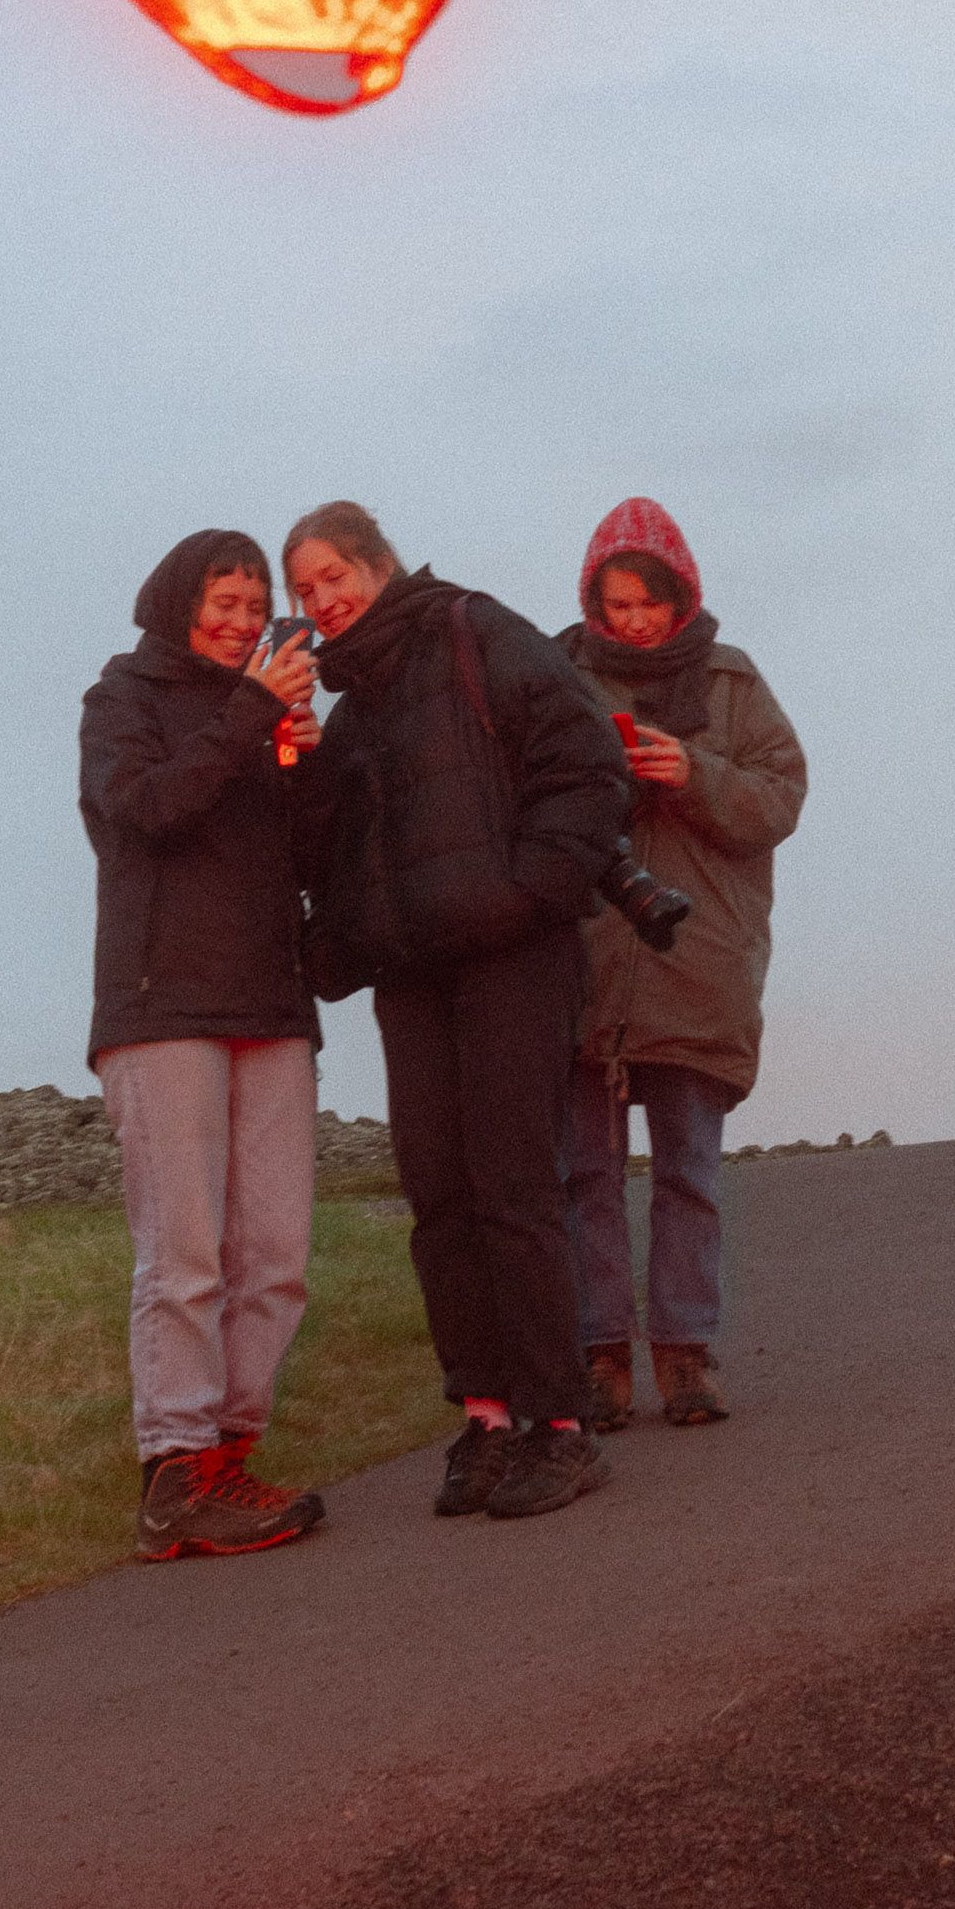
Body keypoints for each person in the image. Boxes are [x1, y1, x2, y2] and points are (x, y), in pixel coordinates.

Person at [283, 498, 629, 1522]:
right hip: (413, 972)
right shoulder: (351, 709)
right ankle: (486, 1415)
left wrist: (529, 892)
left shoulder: (476, 629)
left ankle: (559, 1424)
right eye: (303, 589)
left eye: (331, 576)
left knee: (513, 1184)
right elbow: (322, 859)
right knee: (439, 1195)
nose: (320, 600)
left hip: (514, 956)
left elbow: (586, 763)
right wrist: (300, 763)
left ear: (377, 563)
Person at [78, 527, 328, 1561]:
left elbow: (312, 857)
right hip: (162, 1008)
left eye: (255, 606)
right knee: (185, 1255)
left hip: (271, 1002)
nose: (240, 622)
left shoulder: (261, 715)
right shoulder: (121, 698)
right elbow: (147, 811)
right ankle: (176, 1469)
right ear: (180, 603)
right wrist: (251, 713)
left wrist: (306, 761)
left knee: (273, 1258)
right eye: (223, 603)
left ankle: (227, 1458)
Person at [556, 497, 808, 1429]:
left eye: (648, 603)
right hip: (583, 960)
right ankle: (600, 1360)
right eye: (615, 604)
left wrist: (693, 774)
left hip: (699, 960)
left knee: (687, 1174)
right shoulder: (557, 675)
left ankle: (686, 1357)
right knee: (583, 1176)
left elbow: (780, 799)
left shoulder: (733, 681)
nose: (632, 622)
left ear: (682, 595)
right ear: (592, 601)